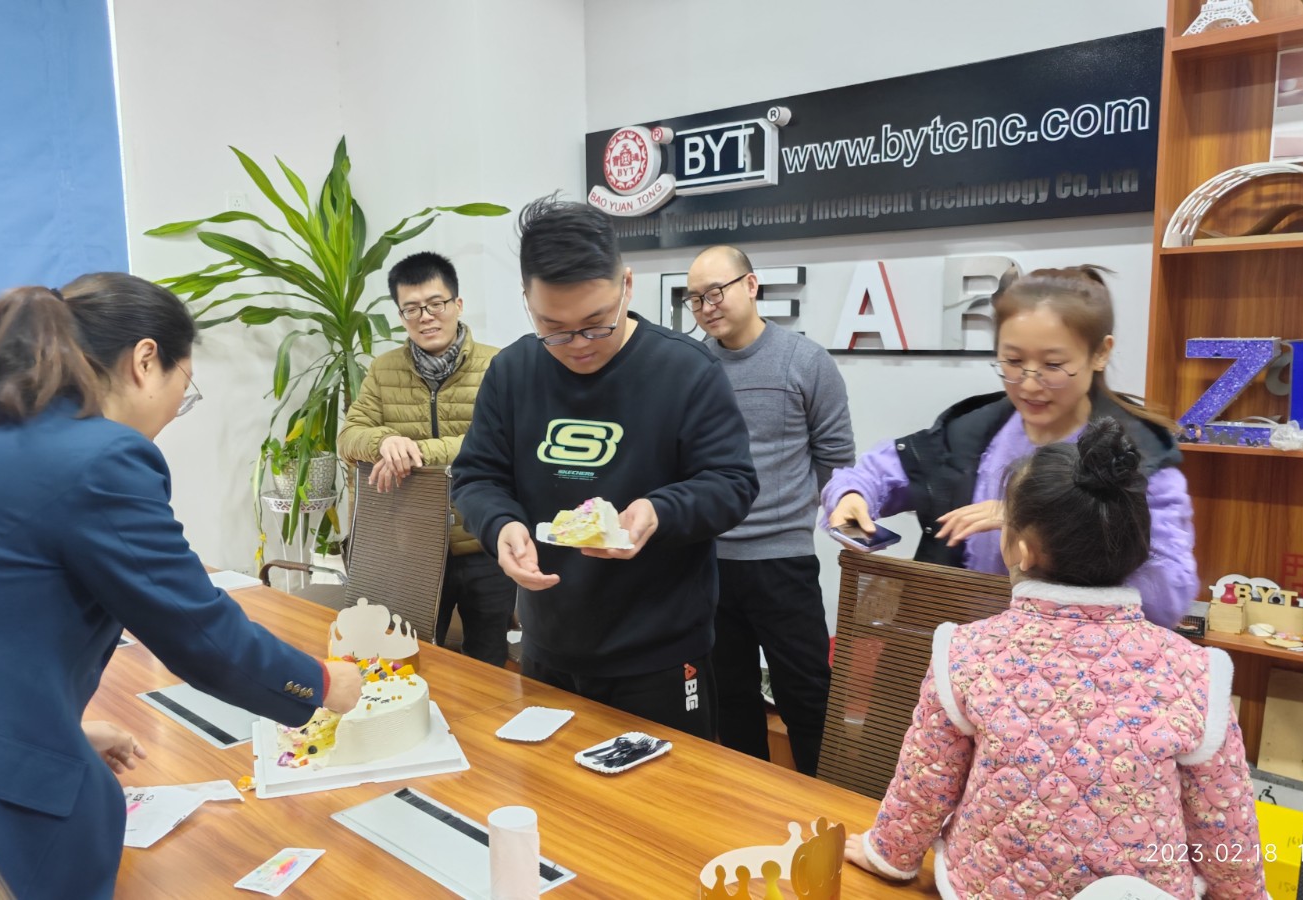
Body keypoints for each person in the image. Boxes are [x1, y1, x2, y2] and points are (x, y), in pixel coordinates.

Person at [0, 274, 362, 899]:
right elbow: (200, 632)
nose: (176, 410)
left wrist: (59, 727)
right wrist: (323, 683)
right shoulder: (101, 457)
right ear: (145, 360)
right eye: (185, 387)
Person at [847, 418, 1267, 899]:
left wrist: (888, 854)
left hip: (987, 888)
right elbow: (1224, 819)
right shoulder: (1196, 671)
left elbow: (926, 783)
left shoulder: (967, 652)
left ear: (1022, 551)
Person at [451, 196, 757, 739]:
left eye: (597, 324)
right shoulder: (512, 372)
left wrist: (657, 511)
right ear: (527, 301)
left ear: (627, 286)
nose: (577, 346)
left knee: (665, 793)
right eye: (554, 328)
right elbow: (477, 477)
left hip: (660, 655)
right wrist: (501, 526)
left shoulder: (685, 371)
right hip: (548, 646)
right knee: (551, 790)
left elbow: (732, 484)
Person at [824, 266, 1197, 628]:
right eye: (1013, 361)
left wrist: (1034, 521)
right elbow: (874, 474)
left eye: (1053, 365)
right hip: (961, 649)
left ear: (1100, 353)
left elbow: (1169, 593)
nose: (1029, 385)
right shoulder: (970, 432)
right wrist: (851, 496)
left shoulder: (1138, 455)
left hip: (1076, 659)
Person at [686, 245, 854, 776]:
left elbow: (836, 460)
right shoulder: (690, 366)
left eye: (716, 291)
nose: (707, 306)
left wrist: (833, 518)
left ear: (752, 285)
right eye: (695, 299)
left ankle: (824, 807)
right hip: (708, 562)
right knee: (730, 698)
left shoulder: (805, 360)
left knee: (806, 695)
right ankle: (748, 805)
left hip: (783, 561)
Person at [339, 251, 513, 665]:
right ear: (401, 315)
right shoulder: (384, 369)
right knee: (407, 659)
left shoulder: (499, 365)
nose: (426, 317)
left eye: (436, 304)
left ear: (458, 304)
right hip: (411, 548)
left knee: (487, 664)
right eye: (412, 308)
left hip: (483, 541)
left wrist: (416, 451)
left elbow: (504, 441)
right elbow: (349, 437)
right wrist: (384, 441)